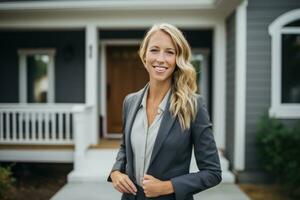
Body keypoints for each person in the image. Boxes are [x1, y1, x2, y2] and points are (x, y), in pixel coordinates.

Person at [107, 23, 222, 200]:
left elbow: (213, 172)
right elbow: (125, 148)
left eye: (170, 52)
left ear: (178, 59)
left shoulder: (193, 105)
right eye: (154, 50)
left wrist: (167, 187)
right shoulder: (130, 102)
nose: (161, 59)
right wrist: (116, 172)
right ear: (144, 55)